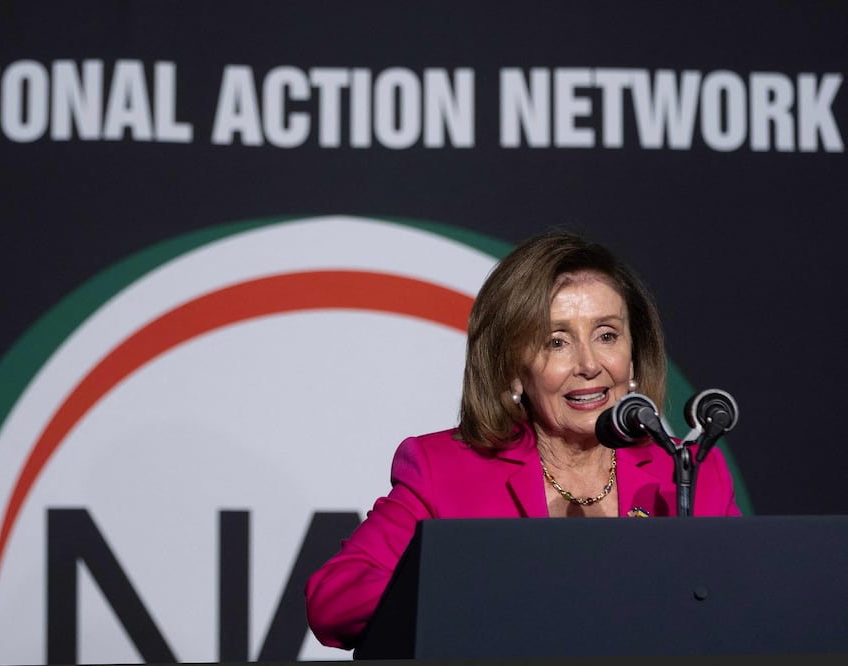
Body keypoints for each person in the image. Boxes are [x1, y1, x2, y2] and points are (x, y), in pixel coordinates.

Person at [304, 229, 741, 650]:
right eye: (556, 341)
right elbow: (334, 599)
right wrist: (488, 587)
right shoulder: (444, 470)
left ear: (634, 356)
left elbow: (746, 603)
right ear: (514, 370)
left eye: (607, 335)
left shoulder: (687, 473)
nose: (588, 364)